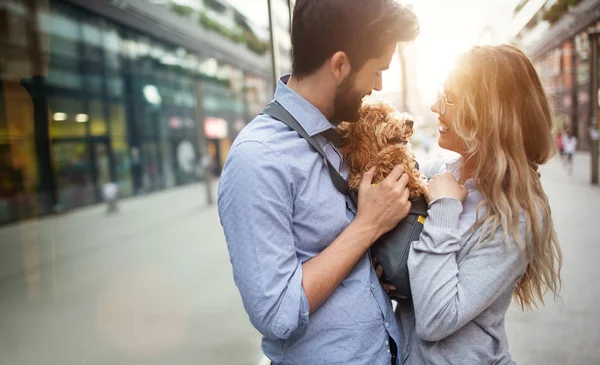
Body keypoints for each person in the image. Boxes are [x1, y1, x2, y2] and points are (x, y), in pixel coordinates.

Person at [217, 1, 419, 364]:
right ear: (340, 64)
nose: (378, 85)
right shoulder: (258, 159)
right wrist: (367, 227)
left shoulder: (342, 133)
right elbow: (277, 311)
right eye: (376, 71)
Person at [389, 45, 563, 365]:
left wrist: (443, 208)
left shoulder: (518, 215)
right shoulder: (434, 172)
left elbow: (436, 320)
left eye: (451, 99)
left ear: (489, 114)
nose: (435, 106)